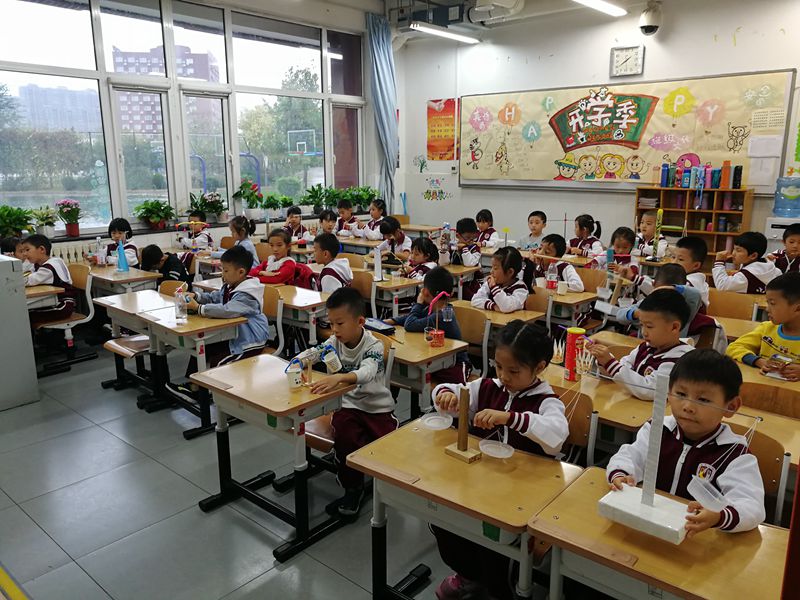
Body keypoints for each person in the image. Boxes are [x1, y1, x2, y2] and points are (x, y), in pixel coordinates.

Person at [431, 321, 568, 600]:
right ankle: (469, 575)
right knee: (444, 521)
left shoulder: (547, 402)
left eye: (514, 371)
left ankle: (499, 589)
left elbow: (556, 436)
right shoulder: (486, 387)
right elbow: (452, 390)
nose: (504, 376)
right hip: (479, 485)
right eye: (498, 366)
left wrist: (510, 418)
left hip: (520, 496)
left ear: (539, 367)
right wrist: (444, 395)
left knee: (494, 545)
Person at [607, 350, 765, 535]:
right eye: (681, 394)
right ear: (668, 394)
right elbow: (630, 456)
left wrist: (719, 516)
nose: (688, 406)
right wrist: (621, 474)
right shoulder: (658, 429)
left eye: (703, 400)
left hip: (697, 537)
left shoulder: (735, 455)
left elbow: (752, 506)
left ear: (731, 406)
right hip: (647, 526)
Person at [295, 288, 397, 517]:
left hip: (378, 408)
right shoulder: (334, 341)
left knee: (389, 447)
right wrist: (297, 362)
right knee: (345, 438)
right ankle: (353, 488)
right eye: (331, 323)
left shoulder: (373, 346)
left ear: (360, 321)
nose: (334, 329)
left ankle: (390, 486)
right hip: (348, 406)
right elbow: (315, 352)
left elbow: (367, 372)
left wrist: (340, 378)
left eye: (339, 323)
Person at [167, 246, 269, 398]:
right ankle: (194, 386)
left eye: (226, 271)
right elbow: (215, 297)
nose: (222, 274)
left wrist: (199, 308)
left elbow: (227, 310)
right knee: (201, 347)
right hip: (233, 335)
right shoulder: (230, 285)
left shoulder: (247, 294)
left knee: (219, 363)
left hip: (250, 340)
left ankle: (214, 397)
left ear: (241, 272)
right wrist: (197, 296)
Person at [588, 288, 694, 400]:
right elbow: (622, 369)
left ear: (674, 327)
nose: (643, 332)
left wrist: (610, 363)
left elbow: (649, 390)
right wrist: (604, 360)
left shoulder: (679, 360)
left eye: (649, 326)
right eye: (642, 325)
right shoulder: (645, 347)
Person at [391, 267, 472, 384]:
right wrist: (391, 321)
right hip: (437, 359)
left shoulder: (442, 316)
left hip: (455, 363)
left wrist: (418, 304)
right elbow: (412, 317)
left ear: (425, 292)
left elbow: (410, 324)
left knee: (452, 384)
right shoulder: (432, 308)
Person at [726, 272, 800, 381]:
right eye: (767, 303)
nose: (767, 309)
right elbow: (733, 347)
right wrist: (759, 361)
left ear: (798, 308)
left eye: (772, 303)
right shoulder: (766, 328)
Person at [616, 264, 705, 339]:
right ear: (653, 285)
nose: (664, 296)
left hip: (672, 350)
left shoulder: (685, 307)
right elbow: (620, 315)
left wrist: (673, 288)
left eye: (670, 292)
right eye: (660, 291)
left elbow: (696, 294)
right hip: (644, 347)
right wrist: (636, 314)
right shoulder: (648, 303)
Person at [22, 234, 76, 327]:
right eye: (23, 251)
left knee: (26, 316)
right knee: (26, 313)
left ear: (42, 249)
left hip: (62, 306)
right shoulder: (40, 263)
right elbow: (26, 272)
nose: (24, 254)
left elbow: (28, 280)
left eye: (27, 250)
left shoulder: (48, 268)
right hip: (52, 301)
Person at [712, 231, 781, 294]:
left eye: (738, 250)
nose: (733, 253)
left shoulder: (747, 276)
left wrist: (719, 262)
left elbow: (722, 285)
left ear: (753, 256)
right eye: (734, 249)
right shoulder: (771, 268)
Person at [471, 247, 528, 313]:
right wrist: (493, 306)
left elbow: (506, 307)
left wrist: (493, 287)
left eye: (495, 268)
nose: (491, 271)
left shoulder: (521, 289)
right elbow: (475, 300)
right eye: (492, 267)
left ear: (510, 272)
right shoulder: (491, 283)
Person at [674, 236, 710, 309]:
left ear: (696, 265)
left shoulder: (690, 282)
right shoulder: (689, 278)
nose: (674, 262)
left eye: (680, 259)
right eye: (673, 257)